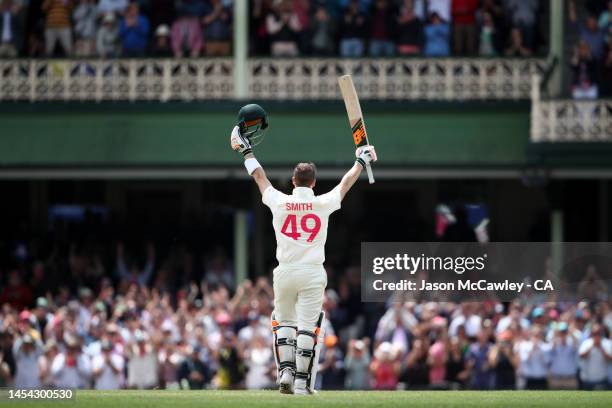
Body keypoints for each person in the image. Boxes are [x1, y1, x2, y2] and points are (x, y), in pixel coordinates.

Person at [229, 103, 377, 395]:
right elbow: (345, 185)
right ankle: (300, 382)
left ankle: (284, 372)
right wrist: (361, 160)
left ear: (294, 181)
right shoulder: (321, 203)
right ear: (313, 183)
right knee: (308, 326)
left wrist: (246, 152)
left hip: (285, 271)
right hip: (312, 272)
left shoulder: (280, 201)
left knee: (283, 321)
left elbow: (259, 177)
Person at [578, 324, 612, 390]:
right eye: (595, 333)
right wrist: (592, 346)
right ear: (591, 333)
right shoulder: (586, 343)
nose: (596, 335)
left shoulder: (607, 343)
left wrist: (601, 348)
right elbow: (581, 356)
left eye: (598, 333)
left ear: (601, 333)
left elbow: (610, 359)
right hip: (587, 381)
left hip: (602, 380)